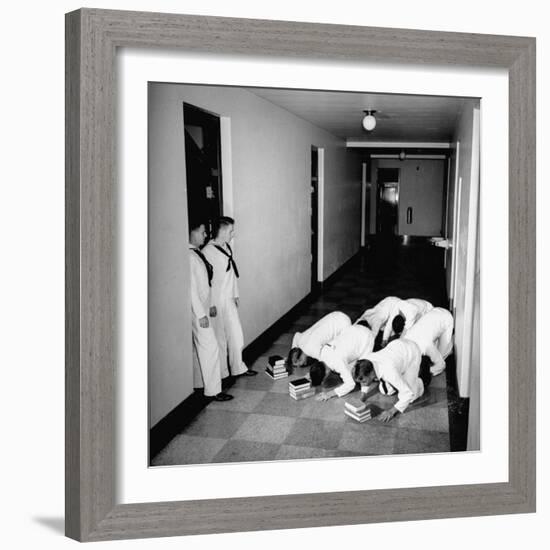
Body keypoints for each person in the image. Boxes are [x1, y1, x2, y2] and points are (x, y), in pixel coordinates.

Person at [202, 216, 257, 378]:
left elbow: (231, 274)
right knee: (220, 338)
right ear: (222, 231)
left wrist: (235, 294)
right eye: (231, 231)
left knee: (236, 334)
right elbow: (207, 282)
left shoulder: (226, 247)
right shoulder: (208, 252)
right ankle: (222, 374)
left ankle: (238, 367)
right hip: (216, 301)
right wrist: (211, 304)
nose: (233, 234)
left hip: (228, 299)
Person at [189, 221, 233, 401]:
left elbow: (207, 283)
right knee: (211, 347)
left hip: (204, 307)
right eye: (201, 232)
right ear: (191, 232)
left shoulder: (196, 254)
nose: (205, 235)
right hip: (197, 311)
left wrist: (211, 304)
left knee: (200, 348)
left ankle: (199, 384)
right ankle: (214, 390)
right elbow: (191, 289)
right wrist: (200, 314)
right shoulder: (189, 257)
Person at [351, 338, 424, 422]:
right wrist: (362, 396)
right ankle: (401, 377)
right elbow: (362, 375)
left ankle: (419, 382)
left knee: (411, 397)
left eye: (364, 381)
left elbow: (407, 393)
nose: (363, 384)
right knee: (386, 392)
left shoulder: (389, 372)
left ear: (371, 374)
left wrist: (391, 411)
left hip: (411, 352)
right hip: (396, 347)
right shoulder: (364, 361)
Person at [310, 323, 375, 401]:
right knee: (352, 370)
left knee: (363, 369)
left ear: (326, 373)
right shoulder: (323, 352)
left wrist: (329, 394)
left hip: (366, 337)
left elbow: (351, 384)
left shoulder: (337, 363)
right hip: (353, 329)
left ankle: (364, 392)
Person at [287, 311, 352, 372]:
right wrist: (293, 353)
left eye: (298, 364)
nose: (299, 366)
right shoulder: (300, 341)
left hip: (344, 324)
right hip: (336, 314)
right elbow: (296, 335)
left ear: (300, 359)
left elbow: (326, 363)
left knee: (341, 353)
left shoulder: (312, 351)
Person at [402, 307, 454, 375]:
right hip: (434, 312)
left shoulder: (426, 346)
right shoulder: (405, 339)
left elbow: (441, 365)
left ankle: (450, 346)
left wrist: (428, 371)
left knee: (442, 355)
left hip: (446, 318)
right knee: (433, 351)